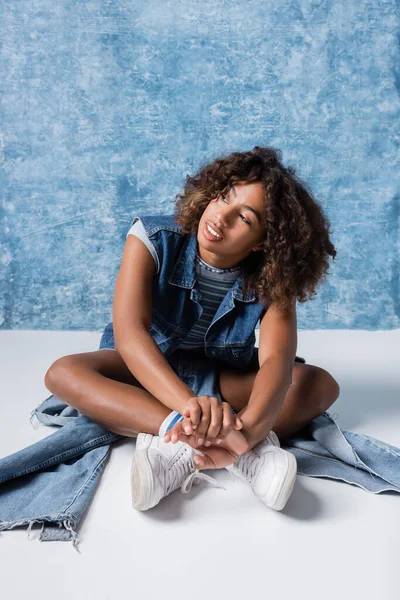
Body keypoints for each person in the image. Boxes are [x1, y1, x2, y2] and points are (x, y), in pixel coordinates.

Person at [44, 145, 340, 513]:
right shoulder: (153, 237)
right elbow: (130, 334)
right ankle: (190, 436)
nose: (220, 217)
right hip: (145, 371)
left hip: (217, 377)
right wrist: (188, 408)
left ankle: (236, 444)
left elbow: (276, 364)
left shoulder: (275, 277)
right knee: (64, 372)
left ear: (264, 241)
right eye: (222, 197)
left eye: (244, 218)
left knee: (318, 384)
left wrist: (249, 426)